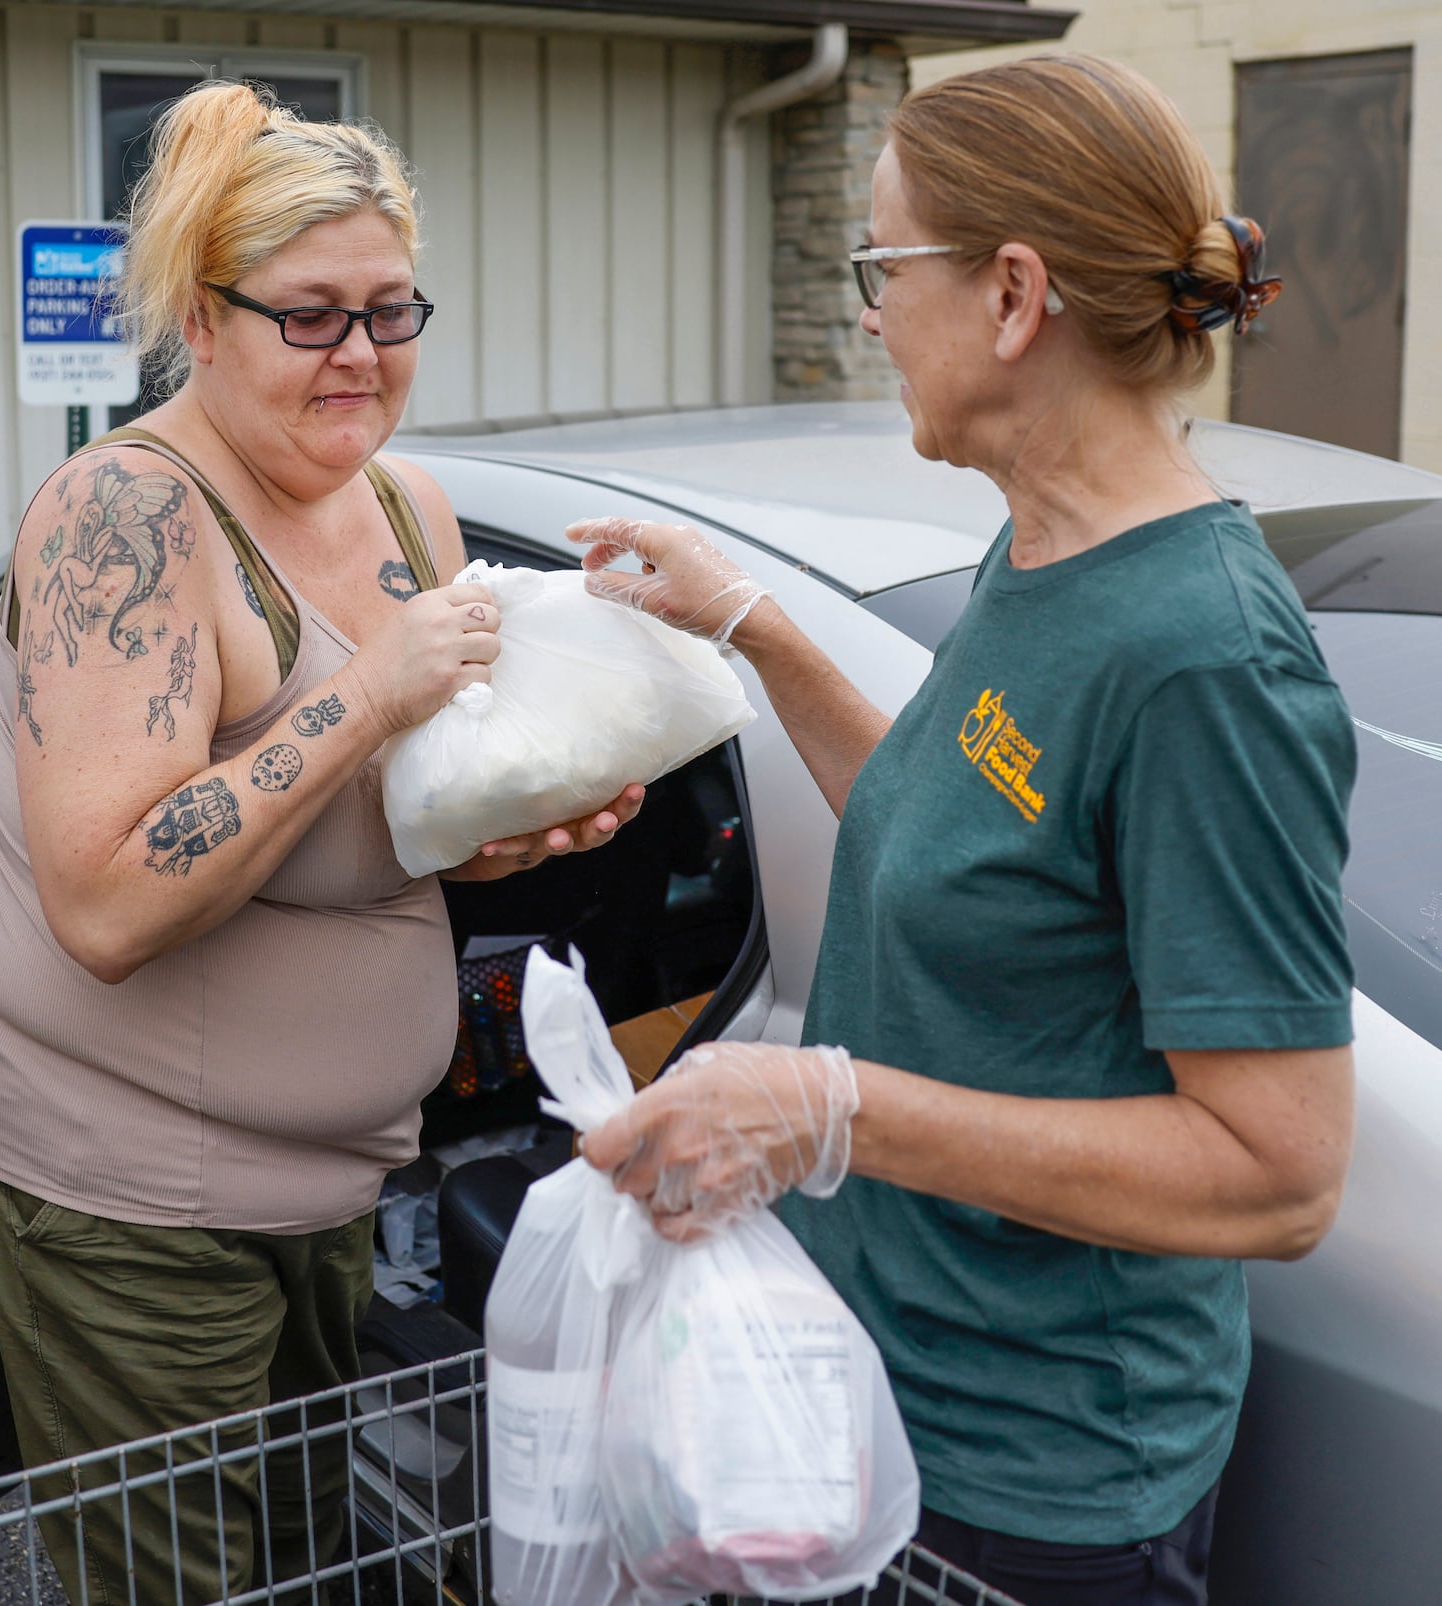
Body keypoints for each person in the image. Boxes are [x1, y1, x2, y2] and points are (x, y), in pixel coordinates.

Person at [576, 53, 1353, 1606]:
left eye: (881, 268)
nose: (867, 312)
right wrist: (755, 628)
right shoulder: (1043, 544)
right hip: (887, 1409)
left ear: (1012, 297)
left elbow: (1280, 1174)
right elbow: (964, 847)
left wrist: (829, 1107)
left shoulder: (1204, 659)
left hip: (1045, 1500)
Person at [0, 80, 641, 1606]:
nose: (363, 357)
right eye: (311, 316)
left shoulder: (408, 508)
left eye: (394, 311)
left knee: (308, 1568)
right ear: (205, 313)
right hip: (128, 1205)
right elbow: (109, 902)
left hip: (337, 1193)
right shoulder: (124, 516)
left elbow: (384, 827)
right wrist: (370, 690)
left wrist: (515, 839)